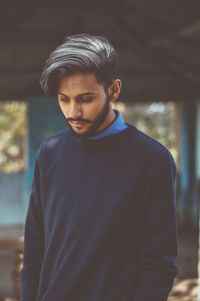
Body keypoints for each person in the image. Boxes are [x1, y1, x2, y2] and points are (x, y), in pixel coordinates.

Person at [20, 34, 178, 301]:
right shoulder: (50, 153)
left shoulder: (151, 160)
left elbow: (158, 263)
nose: (73, 112)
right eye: (64, 99)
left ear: (114, 90)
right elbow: (35, 245)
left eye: (85, 99)